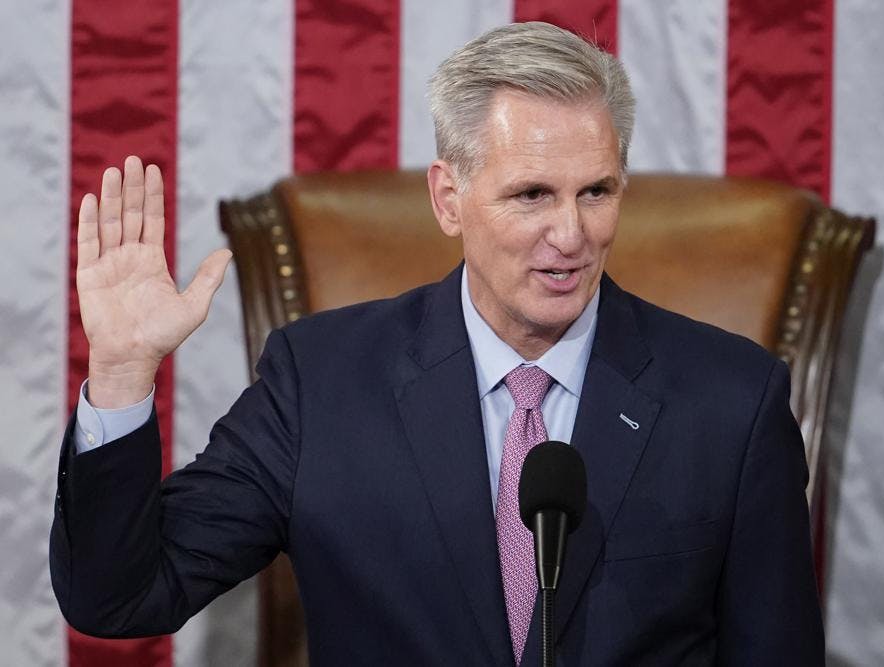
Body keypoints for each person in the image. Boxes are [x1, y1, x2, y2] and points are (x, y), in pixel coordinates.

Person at [51, 21, 824, 665]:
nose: (572, 234)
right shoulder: (321, 385)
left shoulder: (732, 403)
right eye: (532, 195)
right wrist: (121, 374)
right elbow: (119, 596)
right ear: (448, 198)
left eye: (597, 191)